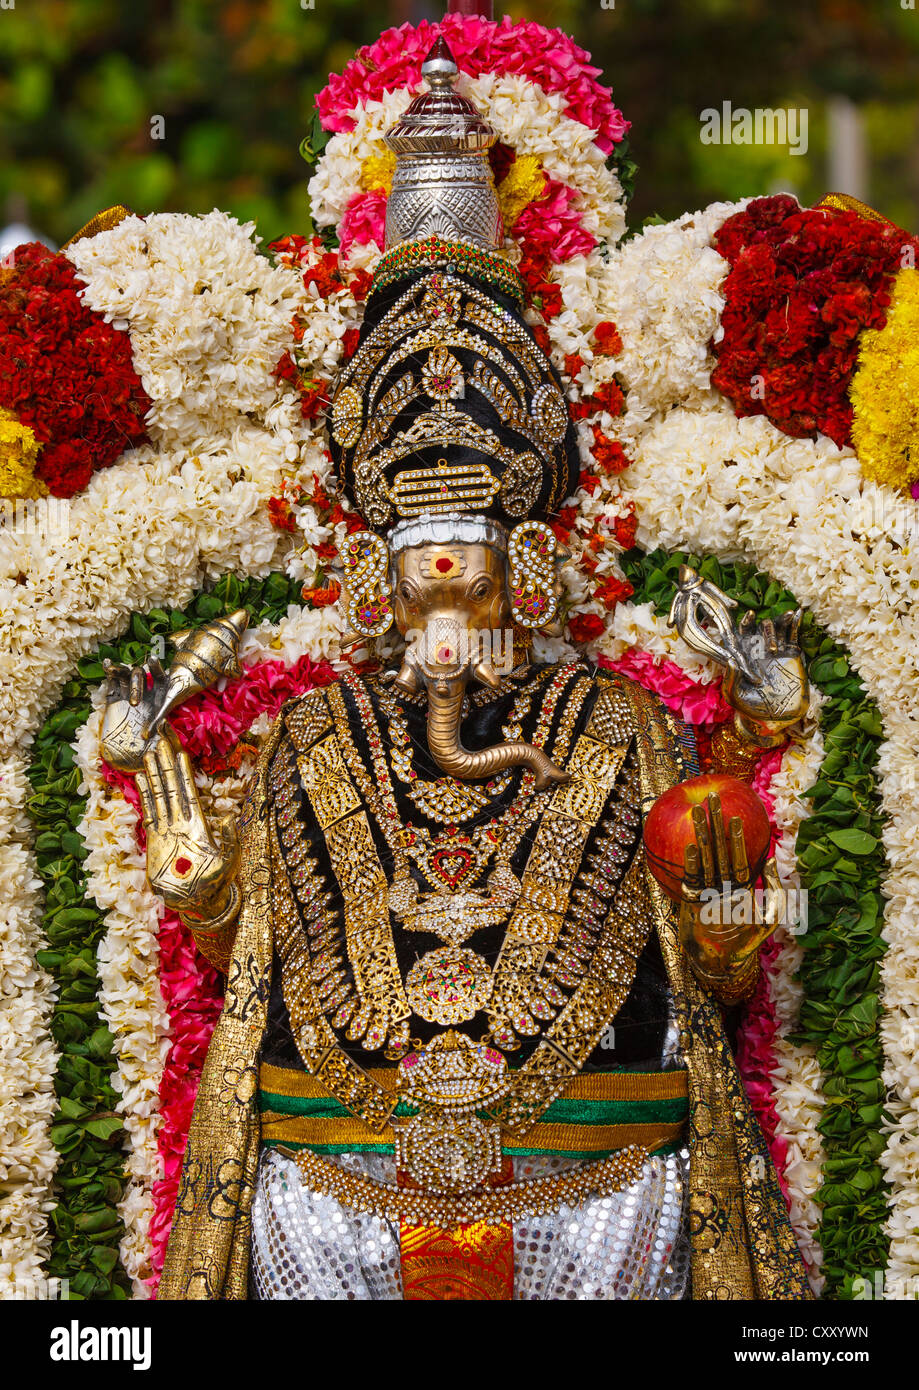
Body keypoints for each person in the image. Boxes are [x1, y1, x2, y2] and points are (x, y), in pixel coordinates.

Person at [105, 41, 812, 1301]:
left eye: (468, 564)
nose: (443, 590)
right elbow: (252, 963)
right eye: (418, 560)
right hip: (336, 1204)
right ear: (375, 576)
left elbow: (705, 985)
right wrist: (203, 884)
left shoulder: (620, 723)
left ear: (525, 569)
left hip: (595, 1203)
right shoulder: (319, 735)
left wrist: (724, 916)